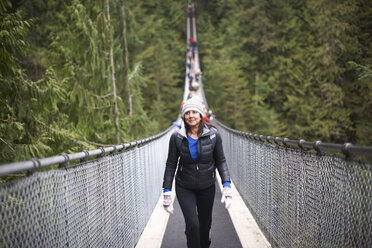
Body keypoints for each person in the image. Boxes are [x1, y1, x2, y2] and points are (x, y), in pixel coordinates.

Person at [162, 97, 232, 248]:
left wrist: (226, 187)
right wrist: (167, 191)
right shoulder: (177, 137)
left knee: (204, 226)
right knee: (192, 224)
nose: (191, 116)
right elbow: (171, 164)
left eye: (194, 112)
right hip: (184, 186)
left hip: (207, 186)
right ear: (183, 115)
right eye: (187, 113)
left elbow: (221, 161)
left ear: (201, 115)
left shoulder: (213, 135)